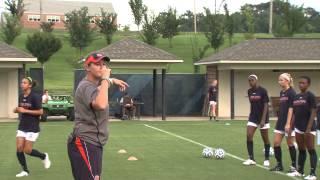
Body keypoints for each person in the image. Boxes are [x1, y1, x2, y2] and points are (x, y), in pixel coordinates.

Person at [67, 52, 128, 180]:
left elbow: (99, 88)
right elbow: (100, 104)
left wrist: (111, 80)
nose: (102, 67)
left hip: (93, 143)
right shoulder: (85, 86)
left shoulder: (93, 85)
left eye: (103, 64)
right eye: (97, 64)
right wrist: (106, 79)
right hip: (84, 142)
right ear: (87, 67)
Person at [14, 77, 51, 178]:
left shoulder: (35, 96)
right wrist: (16, 110)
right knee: (19, 148)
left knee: (27, 150)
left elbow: (40, 112)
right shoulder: (21, 96)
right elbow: (19, 108)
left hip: (33, 127)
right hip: (22, 126)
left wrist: (25, 111)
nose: (22, 84)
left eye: (24, 83)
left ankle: (44, 156)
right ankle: (25, 170)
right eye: (21, 82)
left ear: (30, 85)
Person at [287, 76, 318, 180]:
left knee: (311, 150)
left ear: (308, 84)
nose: (301, 85)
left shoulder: (310, 96)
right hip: (298, 128)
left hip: (308, 128)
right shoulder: (296, 96)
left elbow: (314, 112)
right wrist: (291, 126)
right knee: (301, 149)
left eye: (303, 83)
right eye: (299, 83)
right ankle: (300, 171)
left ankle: (313, 174)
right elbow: (295, 113)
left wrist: (308, 128)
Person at [270, 73, 297, 172]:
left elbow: (291, 109)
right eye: (279, 80)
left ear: (287, 81)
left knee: (290, 144)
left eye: (281, 80)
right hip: (280, 122)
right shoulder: (282, 92)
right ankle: (279, 165)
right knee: (276, 143)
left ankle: (294, 166)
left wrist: (288, 123)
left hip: (288, 122)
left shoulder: (292, 92)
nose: (279, 82)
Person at [243, 74, 271, 167]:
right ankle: (251, 159)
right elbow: (252, 104)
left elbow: (266, 105)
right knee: (249, 135)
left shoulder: (263, 91)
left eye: (252, 80)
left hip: (263, 118)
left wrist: (263, 119)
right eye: (249, 81)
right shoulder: (249, 91)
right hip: (253, 117)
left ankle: (267, 159)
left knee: (265, 139)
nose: (250, 82)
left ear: (256, 80)